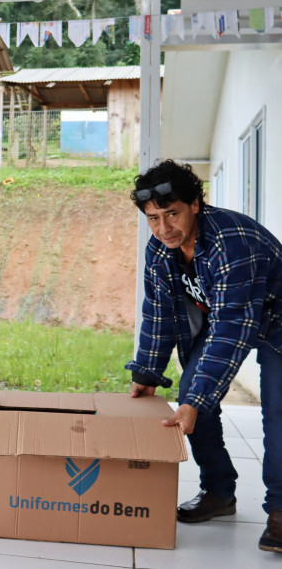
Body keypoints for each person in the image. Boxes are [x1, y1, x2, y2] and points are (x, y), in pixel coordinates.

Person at [125, 159, 282, 553]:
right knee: (193, 398)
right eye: (153, 219)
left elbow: (232, 329)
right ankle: (218, 492)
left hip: (277, 324)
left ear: (196, 204)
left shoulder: (233, 242)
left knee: (277, 414)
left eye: (173, 214)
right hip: (230, 317)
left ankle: (281, 511)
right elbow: (158, 313)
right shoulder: (161, 251)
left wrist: (198, 399)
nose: (164, 229)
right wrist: (147, 371)